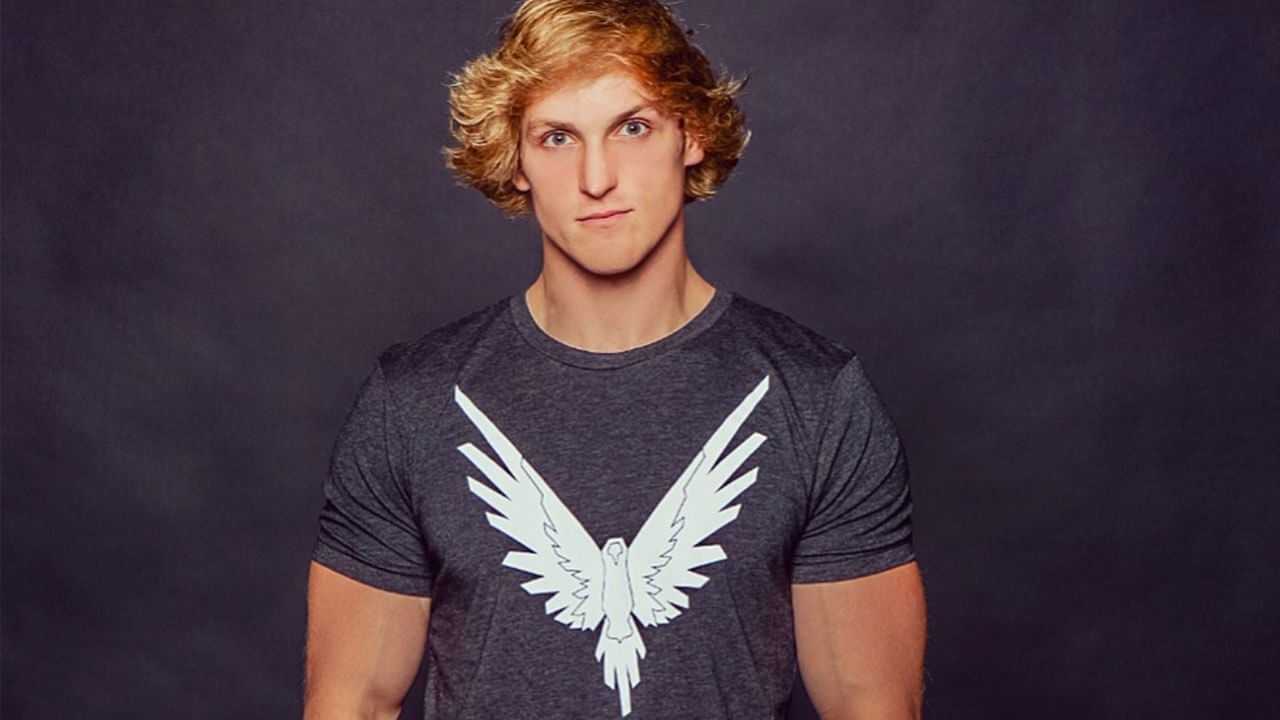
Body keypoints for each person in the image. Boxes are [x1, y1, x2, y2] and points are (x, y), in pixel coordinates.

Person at [303, 1, 926, 718]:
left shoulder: (816, 397)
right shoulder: (414, 401)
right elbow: (351, 703)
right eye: (557, 137)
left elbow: (871, 707)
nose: (596, 177)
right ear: (517, 161)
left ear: (691, 133)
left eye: (632, 127)